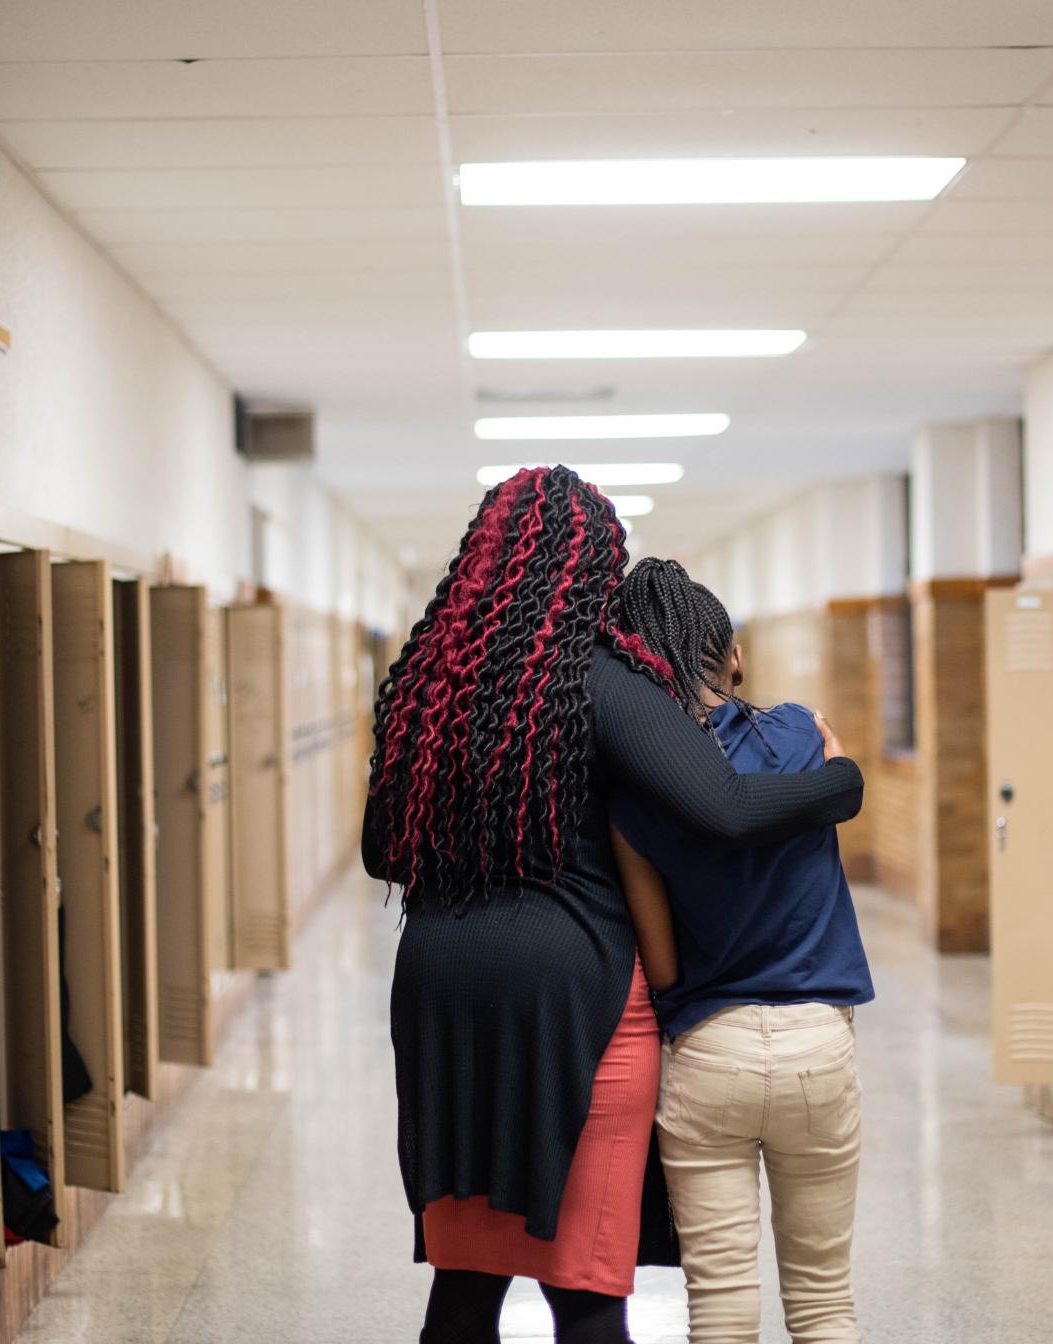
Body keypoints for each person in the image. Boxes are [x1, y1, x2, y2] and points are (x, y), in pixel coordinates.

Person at [361, 468, 866, 1344]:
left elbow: (380, 851)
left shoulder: (432, 681)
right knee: (585, 1287)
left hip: (441, 992)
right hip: (573, 994)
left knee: (465, 1284)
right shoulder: (600, 678)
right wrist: (841, 781)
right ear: (594, 569)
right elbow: (728, 809)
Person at [607, 558, 876, 1344]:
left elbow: (660, 966)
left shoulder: (633, 790)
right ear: (733, 657)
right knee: (826, 1302)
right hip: (818, 1046)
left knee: (722, 1303)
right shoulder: (797, 732)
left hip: (708, 1053)